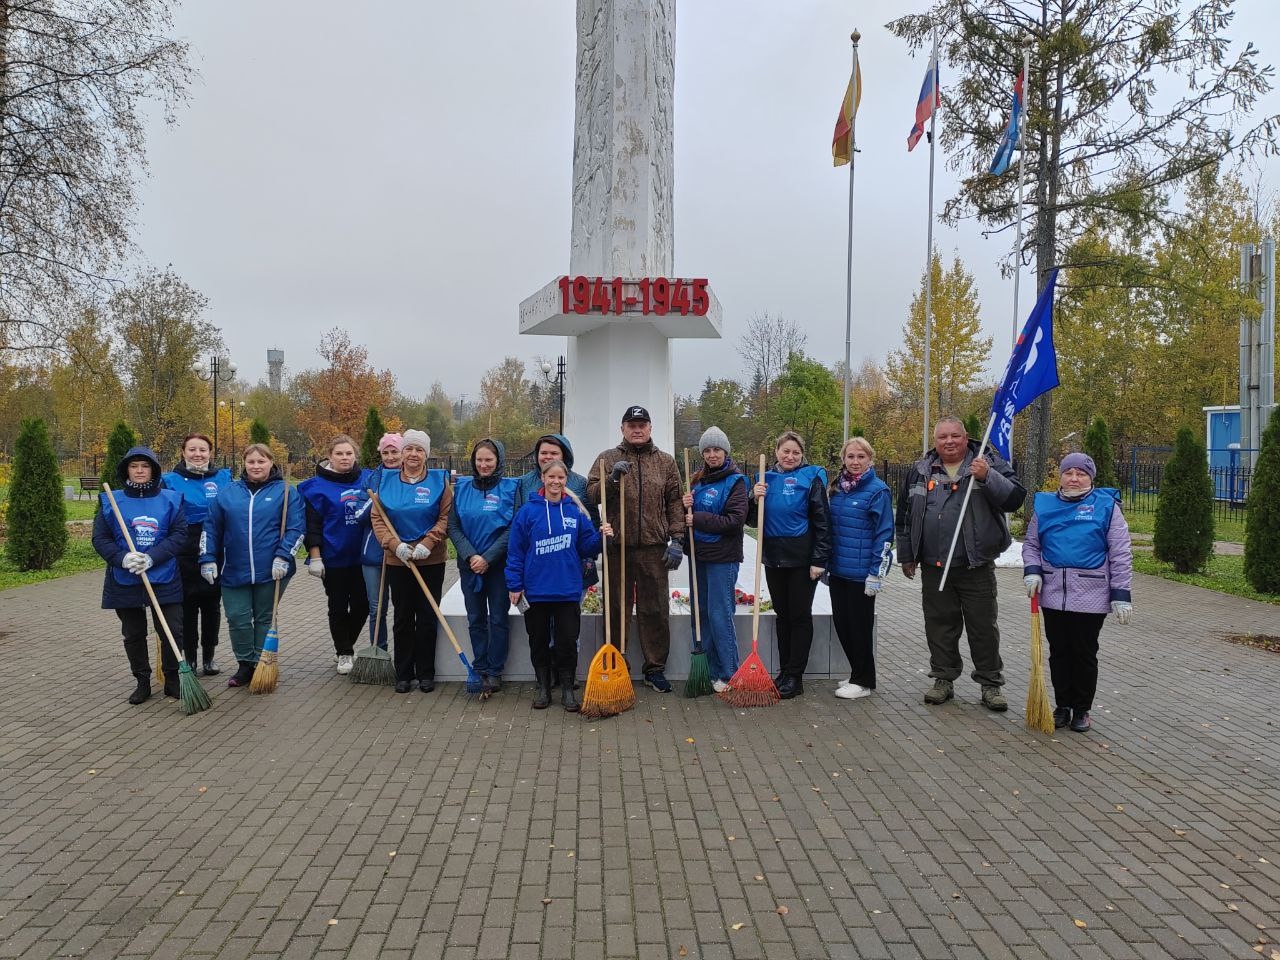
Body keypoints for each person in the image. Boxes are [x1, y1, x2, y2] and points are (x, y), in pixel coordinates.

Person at [896, 416, 1027, 710]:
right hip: (934, 565)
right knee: (940, 626)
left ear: (966, 437)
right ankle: (943, 678)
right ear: (935, 440)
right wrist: (906, 555)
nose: (949, 442)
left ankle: (990, 684)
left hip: (974, 564)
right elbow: (904, 516)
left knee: (982, 628)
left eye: (955, 436)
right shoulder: (919, 471)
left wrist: (987, 476)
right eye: (943, 437)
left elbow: (1015, 499)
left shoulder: (986, 462)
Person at [1022, 452, 1133, 733]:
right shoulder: (1045, 506)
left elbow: (1120, 553)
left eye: (1081, 473)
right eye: (1069, 472)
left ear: (1090, 477)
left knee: (1083, 653)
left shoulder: (1106, 506)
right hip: (1052, 592)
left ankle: (1082, 709)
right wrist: (1032, 570)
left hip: (1091, 593)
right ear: (1060, 476)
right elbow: (1032, 544)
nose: (1074, 478)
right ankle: (1062, 706)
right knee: (1059, 652)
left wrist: (1120, 594)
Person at [586, 405, 685, 693]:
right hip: (619, 547)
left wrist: (677, 540)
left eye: (642, 424)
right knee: (616, 608)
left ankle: (655, 668)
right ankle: (617, 664)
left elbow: (675, 503)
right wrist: (613, 479)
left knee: (655, 609)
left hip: (653, 548)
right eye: (631, 425)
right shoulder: (607, 458)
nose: (637, 429)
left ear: (650, 428)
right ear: (623, 429)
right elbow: (592, 495)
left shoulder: (665, 462)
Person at [507, 459, 611, 711]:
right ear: (542, 478)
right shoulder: (528, 512)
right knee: (538, 641)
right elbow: (515, 552)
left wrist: (600, 537)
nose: (556, 482)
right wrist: (514, 584)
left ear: (566, 480)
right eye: (551, 477)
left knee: (566, 642)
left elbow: (586, 546)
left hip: (567, 590)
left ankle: (567, 690)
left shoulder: (574, 512)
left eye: (560, 478)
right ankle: (543, 689)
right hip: (536, 591)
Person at [199, 444, 305, 688]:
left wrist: (284, 556)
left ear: (271, 463)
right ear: (244, 464)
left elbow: (296, 527)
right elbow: (211, 527)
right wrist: (207, 559)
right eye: (251, 462)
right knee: (237, 617)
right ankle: (245, 663)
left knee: (265, 617)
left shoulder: (286, 492)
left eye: (261, 461)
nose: (256, 466)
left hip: (272, 568)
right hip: (234, 569)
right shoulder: (228, 493)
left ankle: (261, 663)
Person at [93, 447, 187, 704]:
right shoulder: (111, 500)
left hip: (163, 575)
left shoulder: (171, 499)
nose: (139, 471)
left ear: (153, 470)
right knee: (133, 633)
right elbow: (100, 538)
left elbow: (179, 535)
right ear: (126, 471)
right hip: (125, 579)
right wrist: (122, 558)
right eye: (134, 466)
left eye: (144, 466)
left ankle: (173, 679)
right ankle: (142, 681)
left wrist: (152, 557)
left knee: (172, 631)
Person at [747, 431, 832, 699]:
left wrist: (819, 559)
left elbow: (822, 521)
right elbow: (751, 521)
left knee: (799, 616)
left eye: (795, 452)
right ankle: (784, 671)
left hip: (801, 559)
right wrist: (753, 497)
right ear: (777, 452)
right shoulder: (764, 479)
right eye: (786, 451)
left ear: (801, 454)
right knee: (782, 616)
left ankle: (796, 676)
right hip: (774, 558)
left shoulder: (811, 478)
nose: (790, 456)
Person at [370, 429, 452, 694]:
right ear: (402, 453)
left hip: (431, 560)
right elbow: (378, 518)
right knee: (403, 617)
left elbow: (446, 517)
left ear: (426, 454)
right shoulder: (387, 481)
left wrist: (428, 544)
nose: (413, 454)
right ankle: (403, 673)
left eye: (419, 450)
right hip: (399, 560)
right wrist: (395, 546)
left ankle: (426, 672)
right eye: (409, 449)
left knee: (427, 617)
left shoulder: (440, 482)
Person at [516, 432, 600, 684]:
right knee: (542, 630)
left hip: (571, 570)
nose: (548, 457)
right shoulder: (524, 483)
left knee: (566, 629)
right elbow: (519, 532)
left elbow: (590, 524)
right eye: (544, 453)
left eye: (554, 453)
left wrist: (591, 551)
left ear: (565, 456)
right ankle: (547, 675)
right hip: (539, 574)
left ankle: (566, 675)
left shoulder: (580, 484)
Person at [299, 435, 374, 675]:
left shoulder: (368, 479)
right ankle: (344, 652)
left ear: (355, 455)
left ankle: (346, 642)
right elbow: (312, 525)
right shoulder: (314, 488)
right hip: (333, 558)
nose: (344, 458)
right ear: (329, 456)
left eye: (349, 453)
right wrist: (316, 556)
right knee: (338, 606)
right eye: (339, 454)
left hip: (363, 556)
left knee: (363, 605)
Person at [680, 426, 747, 693]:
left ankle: (730, 672)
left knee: (720, 614)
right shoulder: (697, 482)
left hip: (723, 557)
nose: (711, 454)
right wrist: (683, 502)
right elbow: (684, 518)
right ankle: (708, 670)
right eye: (707, 450)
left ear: (725, 451)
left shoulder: (736, 482)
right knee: (701, 615)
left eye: (716, 449)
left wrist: (696, 518)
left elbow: (734, 521)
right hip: (699, 556)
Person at [448, 438, 518, 694]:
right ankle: (480, 666)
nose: (484, 464)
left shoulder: (511, 488)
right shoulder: (463, 488)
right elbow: (453, 526)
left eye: (489, 460)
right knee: (475, 618)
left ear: (498, 460)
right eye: (479, 460)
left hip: (498, 566)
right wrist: (470, 556)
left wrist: (487, 557)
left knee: (499, 619)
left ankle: (495, 670)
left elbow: (513, 528)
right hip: (470, 566)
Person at [826, 437, 893, 701]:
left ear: (870, 460)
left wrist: (877, 572)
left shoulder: (878, 491)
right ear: (843, 458)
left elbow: (885, 534)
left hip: (862, 574)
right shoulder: (838, 490)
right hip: (839, 571)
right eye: (850, 456)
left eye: (861, 457)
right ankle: (857, 672)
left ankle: (864, 681)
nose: (855, 462)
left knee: (860, 628)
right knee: (843, 625)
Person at [162, 434, 232, 675]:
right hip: (185, 551)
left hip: (215, 549)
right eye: (192, 449)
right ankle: (189, 656)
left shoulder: (224, 478)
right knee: (188, 607)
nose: (198, 454)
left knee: (212, 606)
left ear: (210, 453)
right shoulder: (169, 480)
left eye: (203, 449)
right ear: (183, 452)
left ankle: (209, 657)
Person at [359, 433, 402, 650]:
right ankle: (379, 651)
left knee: (404, 608)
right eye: (386, 452)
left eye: (395, 451)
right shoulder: (371, 479)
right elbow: (359, 515)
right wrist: (375, 498)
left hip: (403, 553)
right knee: (377, 608)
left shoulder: (410, 477)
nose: (390, 456)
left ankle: (406, 656)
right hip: (374, 554)